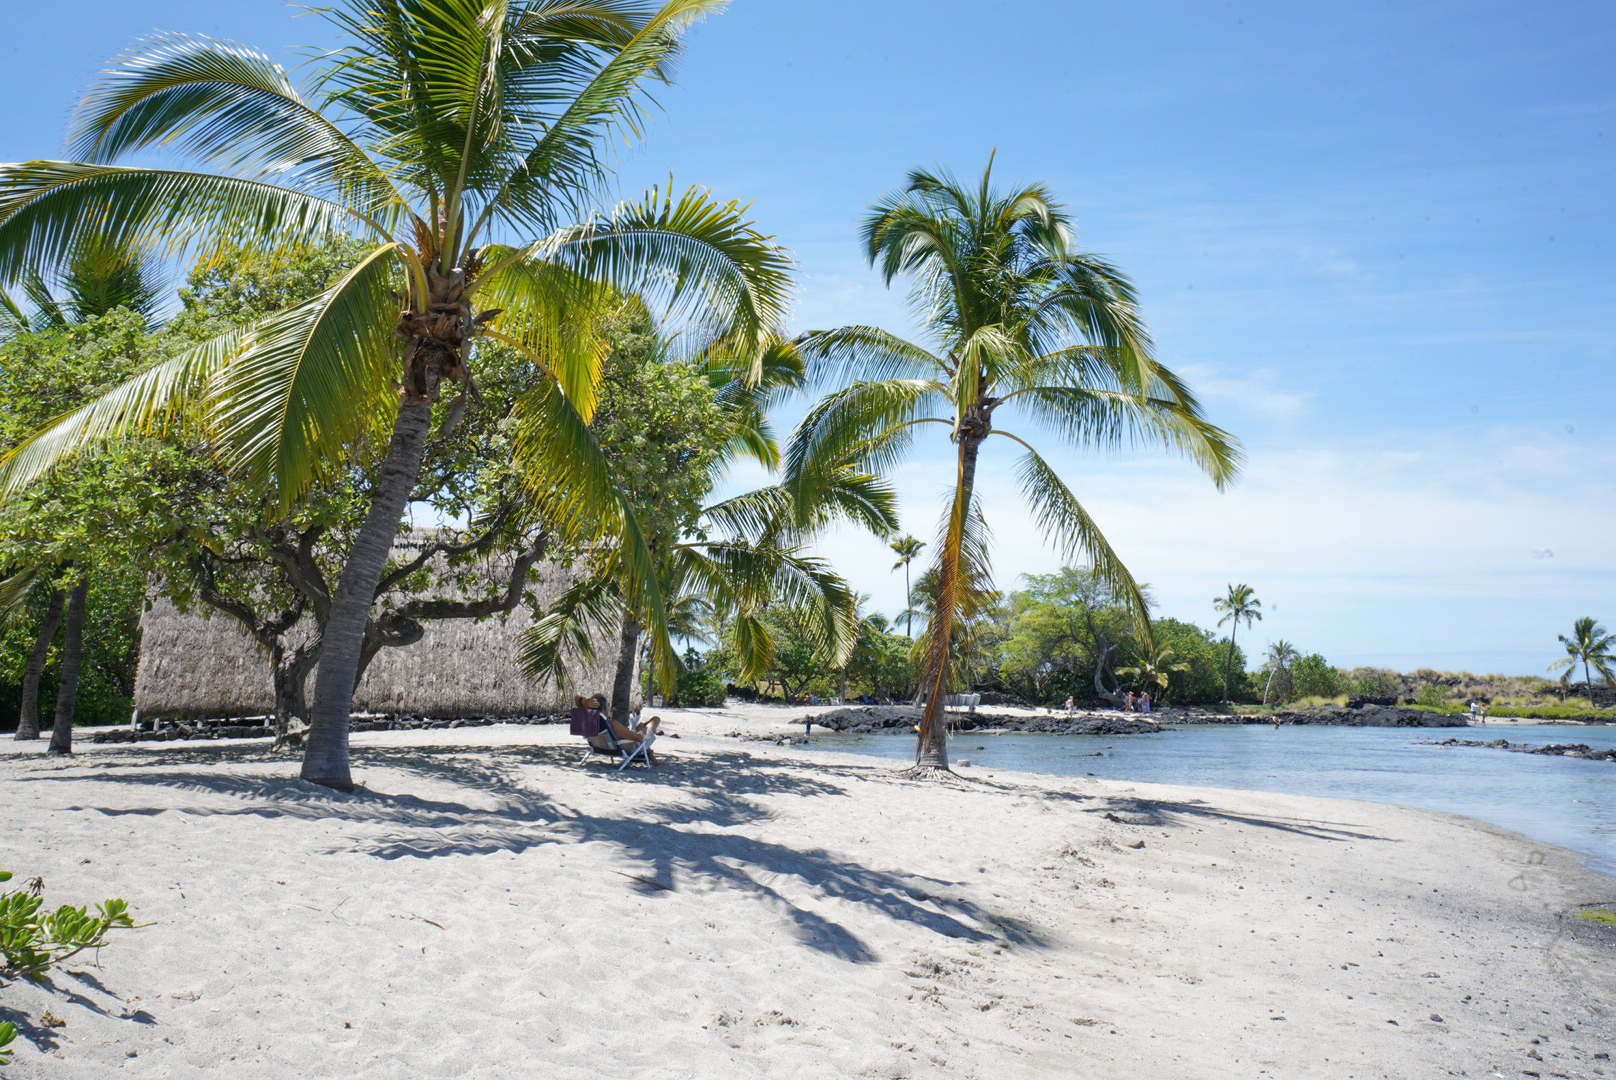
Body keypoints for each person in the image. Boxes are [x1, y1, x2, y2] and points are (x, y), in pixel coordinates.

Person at [587, 695, 662, 765]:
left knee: (639, 726)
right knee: (655, 719)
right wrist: (640, 727)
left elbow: (613, 735)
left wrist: (627, 730)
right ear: (605, 708)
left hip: (603, 748)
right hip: (630, 746)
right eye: (608, 705)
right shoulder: (612, 724)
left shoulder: (590, 722)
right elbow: (639, 738)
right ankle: (654, 761)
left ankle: (654, 760)